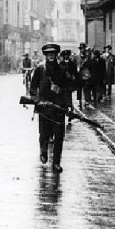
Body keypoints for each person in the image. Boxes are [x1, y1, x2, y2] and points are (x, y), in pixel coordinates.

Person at [30, 43, 72, 173]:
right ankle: (43, 151)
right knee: (44, 134)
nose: (51, 56)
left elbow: (67, 89)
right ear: (46, 55)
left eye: (53, 54)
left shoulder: (62, 70)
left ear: (56, 54)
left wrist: (68, 106)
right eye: (49, 54)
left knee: (59, 137)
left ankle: (56, 163)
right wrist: (37, 100)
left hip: (58, 108)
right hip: (44, 107)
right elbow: (32, 88)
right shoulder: (40, 69)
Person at [59, 49, 77, 122]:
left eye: (67, 55)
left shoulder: (72, 64)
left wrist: (73, 80)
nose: (66, 57)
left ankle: (70, 113)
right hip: (63, 84)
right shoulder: (61, 64)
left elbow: (75, 73)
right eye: (65, 55)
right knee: (62, 98)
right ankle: (64, 111)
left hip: (69, 84)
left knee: (69, 98)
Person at [73, 42, 91, 108]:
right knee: (79, 88)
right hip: (78, 75)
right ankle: (79, 100)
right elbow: (74, 66)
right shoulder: (76, 57)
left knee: (86, 87)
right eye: (81, 49)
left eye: (83, 48)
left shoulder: (88, 57)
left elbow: (90, 66)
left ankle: (87, 100)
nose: (82, 50)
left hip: (86, 74)